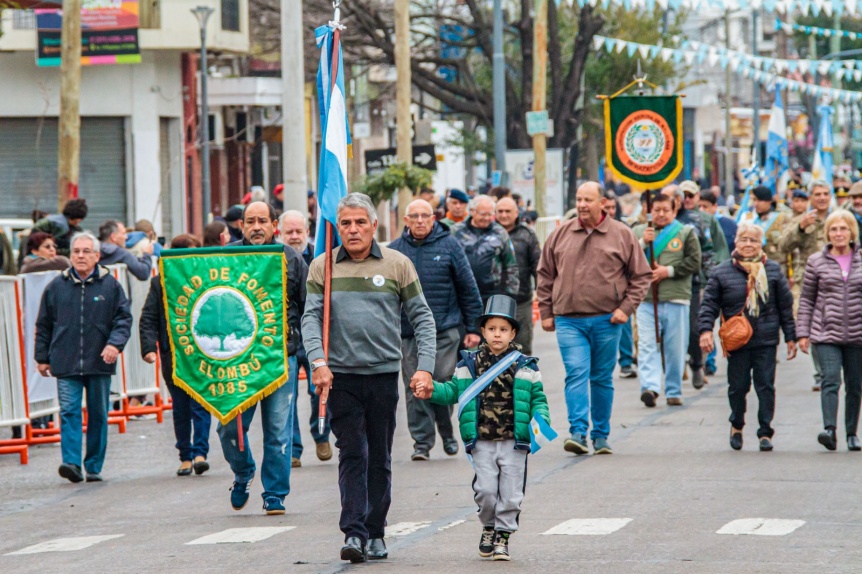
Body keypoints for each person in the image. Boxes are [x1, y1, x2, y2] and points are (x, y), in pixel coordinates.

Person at [302, 193, 436, 563]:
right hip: (340, 376)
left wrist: (424, 365)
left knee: (379, 454)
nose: (353, 229)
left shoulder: (396, 264)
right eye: (346, 223)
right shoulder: (323, 267)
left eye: (361, 222)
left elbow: (422, 318)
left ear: (374, 226)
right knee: (352, 452)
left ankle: (376, 531)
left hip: (382, 375)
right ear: (337, 228)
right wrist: (317, 360)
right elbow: (310, 317)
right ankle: (354, 533)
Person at [412, 295, 549, 562]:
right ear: (483, 332)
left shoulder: (526, 366)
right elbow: (453, 392)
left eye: (503, 329)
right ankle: (488, 526)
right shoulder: (468, 364)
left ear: (513, 333)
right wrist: (430, 392)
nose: (497, 335)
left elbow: (538, 399)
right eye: (492, 329)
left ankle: (503, 537)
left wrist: (541, 421)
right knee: (486, 491)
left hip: (514, 442)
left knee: (511, 495)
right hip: (482, 441)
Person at [537, 182, 652, 455]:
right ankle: (578, 432)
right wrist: (545, 311)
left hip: (607, 320)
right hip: (568, 320)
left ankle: (601, 435)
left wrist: (626, 308)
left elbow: (642, 276)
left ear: (603, 203)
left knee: (601, 378)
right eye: (578, 199)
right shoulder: (560, 234)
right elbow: (545, 274)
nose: (582, 205)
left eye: (588, 199)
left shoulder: (622, 235)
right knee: (576, 373)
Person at [218, 202, 308, 515]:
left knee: (279, 430)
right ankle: (243, 472)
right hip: (236, 361)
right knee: (229, 428)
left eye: (263, 221)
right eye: (250, 221)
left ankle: (275, 494)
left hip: (281, 359)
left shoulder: (292, 259)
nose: (257, 227)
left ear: (274, 225)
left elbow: (306, 307)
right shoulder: (225, 258)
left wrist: (312, 355)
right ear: (241, 225)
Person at [389, 199, 484, 461]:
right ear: (406, 221)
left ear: (434, 219)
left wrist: (474, 327)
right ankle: (422, 442)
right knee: (415, 386)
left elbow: (468, 287)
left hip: (445, 329)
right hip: (409, 333)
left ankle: (446, 429)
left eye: (425, 216)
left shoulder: (450, 245)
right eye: (414, 216)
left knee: (440, 380)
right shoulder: (395, 252)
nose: (420, 220)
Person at [34, 231, 132, 483]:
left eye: (86, 251)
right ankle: (71, 463)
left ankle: (94, 466)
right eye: (76, 251)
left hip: (100, 361)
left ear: (97, 256)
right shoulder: (57, 286)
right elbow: (44, 324)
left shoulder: (110, 286)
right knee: (68, 411)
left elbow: (123, 320)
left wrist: (114, 345)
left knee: (98, 413)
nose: (80, 256)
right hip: (65, 361)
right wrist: (42, 357)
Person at [699, 223, 797, 451]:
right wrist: (705, 331)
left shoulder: (772, 270)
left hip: (766, 339)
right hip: (737, 341)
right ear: (736, 242)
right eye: (744, 239)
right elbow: (709, 305)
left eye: (753, 240)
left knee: (765, 386)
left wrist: (791, 337)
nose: (748, 244)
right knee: (738, 387)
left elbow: (785, 307)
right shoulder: (722, 272)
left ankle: (765, 432)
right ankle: (737, 425)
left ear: (760, 244)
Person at [139, 234, 212, 476]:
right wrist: (149, 348)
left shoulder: (207, 279)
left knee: (200, 404)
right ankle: (185, 455)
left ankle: (200, 453)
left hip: (202, 353)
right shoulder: (161, 282)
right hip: (174, 355)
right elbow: (148, 317)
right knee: (180, 407)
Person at [797, 211, 862, 452]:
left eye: (843, 229)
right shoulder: (816, 261)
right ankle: (830, 430)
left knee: (855, 385)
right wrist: (802, 332)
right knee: (830, 379)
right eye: (834, 229)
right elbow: (807, 299)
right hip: (826, 333)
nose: (839, 234)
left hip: (857, 334)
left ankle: (852, 433)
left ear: (851, 232)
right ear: (828, 234)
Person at [633, 193, 702, 407]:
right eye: (657, 209)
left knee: (675, 347)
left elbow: (694, 261)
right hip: (645, 299)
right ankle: (650, 388)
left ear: (674, 210)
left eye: (666, 210)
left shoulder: (685, 233)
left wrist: (668, 271)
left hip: (676, 297)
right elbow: (626, 259)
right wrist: (644, 242)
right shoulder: (637, 232)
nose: (661, 214)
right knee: (646, 345)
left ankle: (673, 389)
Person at [278, 209, 332, 465]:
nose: (295, 236)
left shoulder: (321, 257)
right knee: (288, 397)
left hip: (315, 337)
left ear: (308, 232)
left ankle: (321, 435)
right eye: (289, 232)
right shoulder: (274, 260)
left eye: (299, 231)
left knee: (318, 389)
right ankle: (294, 449)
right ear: (280, 233)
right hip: (285, 338)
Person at [666, 181, 730, 389]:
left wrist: (713, 279)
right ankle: (671, 373)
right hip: (662, 284)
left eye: (688, 195)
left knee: (695, 328)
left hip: (693, 282)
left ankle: (696, 363)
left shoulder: (699, 220)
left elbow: (711, 250)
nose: (686, 199)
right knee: (665, 333)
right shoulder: (658, 220)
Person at [780, 179, 832, 392]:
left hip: (838, 281)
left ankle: (837, 368)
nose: (821, 198)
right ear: (811, 198)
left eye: (825, 194)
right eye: (817, 194)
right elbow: (784, 245)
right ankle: (821, 373)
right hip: (810, 281)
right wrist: (800, 229)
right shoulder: (802, 220)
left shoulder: (838, 218)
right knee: (815, 326)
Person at [452, 194, 519, 305]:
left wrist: (509, 297)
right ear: (472, 211)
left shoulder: (500, 233)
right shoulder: (456, 231)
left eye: (490, 214)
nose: (487, 218)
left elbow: (511, 266)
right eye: (483, 214)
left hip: (492, 294)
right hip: (462, 294)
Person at [495, 197, 540, 354]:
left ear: (516, 213)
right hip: (492, 301)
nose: (504, 215)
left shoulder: (527, 235)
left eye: (508, 211)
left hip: (521, 301)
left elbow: (537, 266)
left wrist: (541, 292)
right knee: (492, 350)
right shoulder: (489, 233)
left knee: (522, 348)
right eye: (500, 211)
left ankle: (521, 378)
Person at [699, 188, 738, 253]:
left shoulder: (729, 225)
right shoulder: (693, 224)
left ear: (715, 206)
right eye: (699, 206)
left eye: (705, 207)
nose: (701, 210)